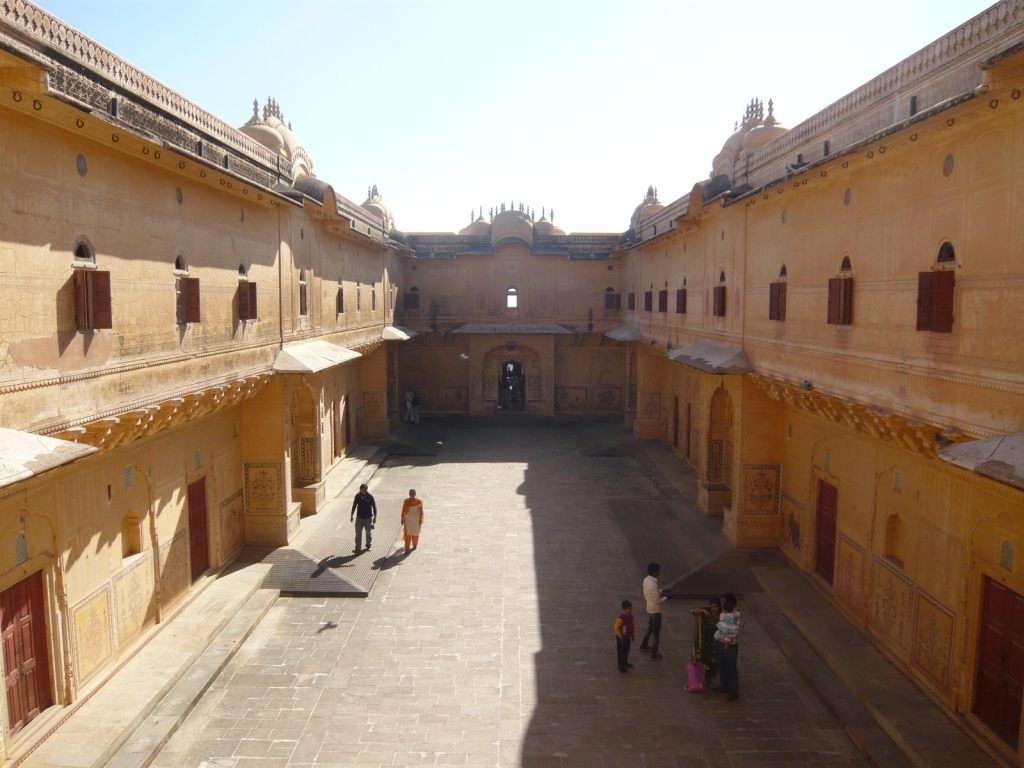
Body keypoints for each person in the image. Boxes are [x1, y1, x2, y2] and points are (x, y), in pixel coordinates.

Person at [714, 593, 744, 702]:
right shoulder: (725, 612)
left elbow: (736, 632)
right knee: (722, 664)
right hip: (721, 642)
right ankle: (724, 685)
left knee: (731, 667)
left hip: (730, 645)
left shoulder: (738, 617)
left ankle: (734, 691)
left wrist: (727, 639)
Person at [639, 562, 668, 660]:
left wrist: (661, 591)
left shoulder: (646, 580)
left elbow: (652, 593)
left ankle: (644, 644)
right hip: (656, 610)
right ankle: (654, 654)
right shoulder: (653, 584)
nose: (659, 572)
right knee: (656, 633)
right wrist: (666, 597)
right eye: (658, 571)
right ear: (654, 572)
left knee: (650, 627)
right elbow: (657, 600)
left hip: (649, 608)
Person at [693, 597, 722, 685]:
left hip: (714, 642)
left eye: (715, 607)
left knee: (713, 660)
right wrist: (701, 610)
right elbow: (693, 611)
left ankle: (710, 678)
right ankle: (701, 677)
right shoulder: (706, 611)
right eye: (712, 607)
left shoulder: (722, 615)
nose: (713, 609)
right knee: (703, 658)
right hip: (704, 641)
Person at [350, 483, 377, 552]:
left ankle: (368, 545)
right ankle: (358, 548)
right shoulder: (358, 496)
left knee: (368, 532)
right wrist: (352, 515)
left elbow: (374, 507)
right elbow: (354, 505)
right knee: (358, 533)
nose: (364, 491)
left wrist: (375, 517)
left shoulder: (370, 497)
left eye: (365, 490)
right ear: (360, 490)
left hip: (368, 518)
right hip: (359, 518)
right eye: (363, 490)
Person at [614, 600, 635, 673]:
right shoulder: (620, 618)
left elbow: (632, 626)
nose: (630, 610)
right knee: (621, 651)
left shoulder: (630, 616)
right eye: (628, 609)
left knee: (626, 650)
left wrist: (632, 634)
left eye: (631, 608)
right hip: (622, 638)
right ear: (624, 609)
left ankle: (625, 662)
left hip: (627, 636)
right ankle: (621, 665)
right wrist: (620, 637)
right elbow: (616, 628)